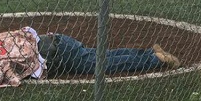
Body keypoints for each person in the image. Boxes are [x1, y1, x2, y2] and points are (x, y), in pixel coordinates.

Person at [0, 27, 181, 88]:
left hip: (59, 53)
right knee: (99, 56)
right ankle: (149, 54)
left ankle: (154, 60)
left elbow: (9, 76)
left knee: (101, 62)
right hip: (56, 40)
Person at [38, 33, 180, 77]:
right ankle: (151, 52)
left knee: (106, 64)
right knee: (106, 55)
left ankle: (155, 59)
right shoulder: (17, 37)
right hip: (60, 40)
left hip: (62, 55)